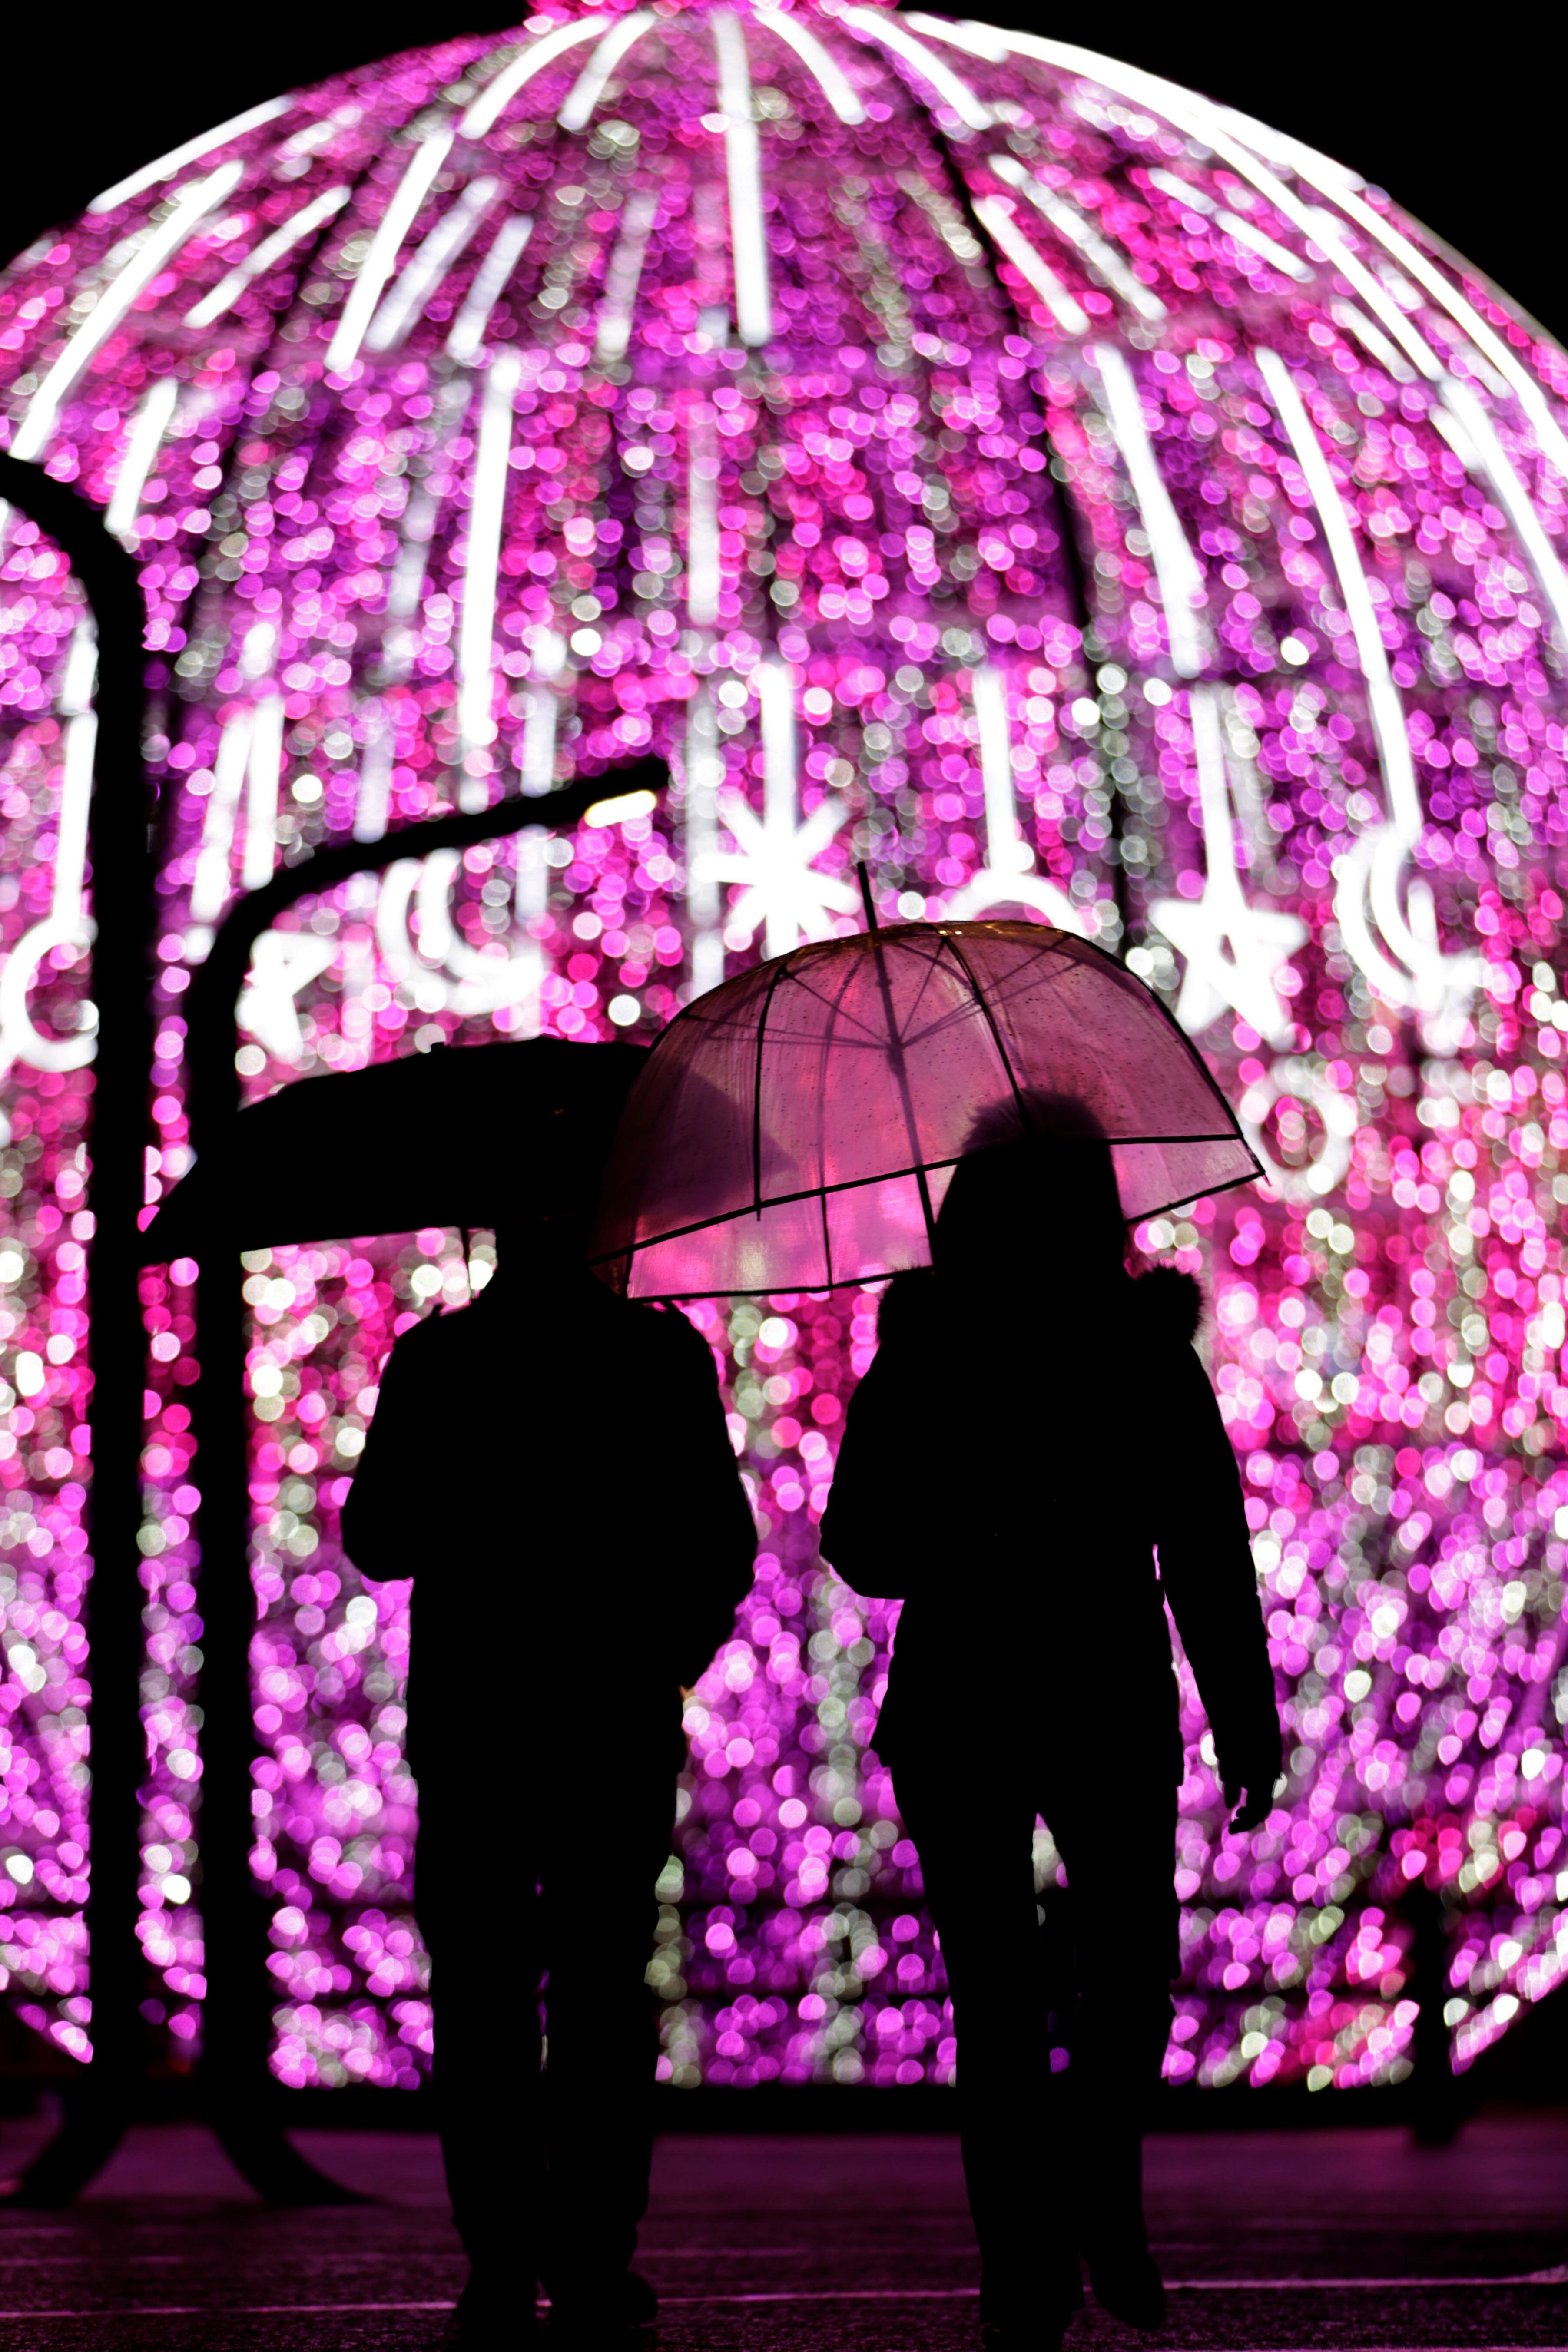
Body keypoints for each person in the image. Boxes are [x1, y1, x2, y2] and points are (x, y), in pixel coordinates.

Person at [820, 1098, 1281, 2350]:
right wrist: (1242, 1714)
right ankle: (1058, 2232)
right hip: (1081, 1686)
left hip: (988, 1692)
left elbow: (1198, 1537)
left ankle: (1047, 2236)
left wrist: (1243, 1710)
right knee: (1100, 1970)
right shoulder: (994, 1348)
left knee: (1025, 1990)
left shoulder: (1002, 1346)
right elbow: (864, 1536)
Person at [341, 1213, 756, 2341]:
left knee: (478, 1992)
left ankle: (497, 2255)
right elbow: (723, 1543)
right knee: (602, 1989)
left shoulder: (439, 1362)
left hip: (474, 1714)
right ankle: (591, 2252)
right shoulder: (658, 1357)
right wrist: (665, 1653)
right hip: (611, 1713)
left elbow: (377, 1537)